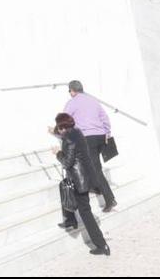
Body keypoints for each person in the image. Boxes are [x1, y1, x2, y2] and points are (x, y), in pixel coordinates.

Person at [53, 112, 111, 256]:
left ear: (63, 127)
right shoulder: (76, 133)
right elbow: (64, 136)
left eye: (58, 127)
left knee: (85, 212)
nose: (58, 130)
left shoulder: (69, 140)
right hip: (85, 177)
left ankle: (102, 245)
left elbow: (67, 162)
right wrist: (55, 133)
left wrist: (58, 153)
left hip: (80, 181)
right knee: (66, 190)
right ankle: (70, 220)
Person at [63, 79, 118, 212]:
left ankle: (110, 199)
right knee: (92, 165)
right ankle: (96, 187)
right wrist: (107, 132)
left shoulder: (72, 103)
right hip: (100, 137)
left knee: (95, 169)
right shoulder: (93, 101)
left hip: (88, 138)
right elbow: (105, 118)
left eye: (69, 90)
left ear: (72, 91)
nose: (70, 93)